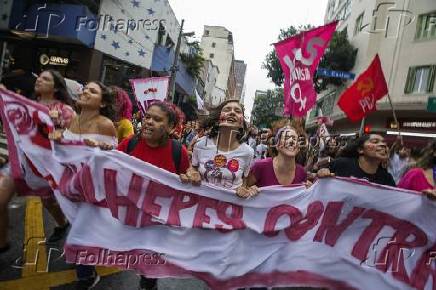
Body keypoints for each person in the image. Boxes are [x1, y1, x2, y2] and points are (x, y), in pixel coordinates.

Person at [0, 70, 75, 253]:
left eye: (46, 79)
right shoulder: (27, 104)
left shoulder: (65, 110)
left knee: (49, 202)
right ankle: (2, 244)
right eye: (39, 77)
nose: (39, 80)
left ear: (56, 87)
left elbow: (62, 138)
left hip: (46, 166)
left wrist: (54, 126)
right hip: (21, 162)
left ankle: (62, 225)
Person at [118, 101, 190, 290]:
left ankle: (148, 282)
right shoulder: (130, 143)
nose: (148, 122)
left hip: (159, 221)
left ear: (171, 127)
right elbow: (110, 168)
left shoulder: (178, 151)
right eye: (147, 117)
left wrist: (191, 176)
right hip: (131, 215)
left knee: (149, 262)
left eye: (157, 119)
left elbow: (185, 182)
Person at [56, 81, 117, 290]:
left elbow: (114, 162)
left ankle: (87, 276)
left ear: (102, 103)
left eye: (93, 91)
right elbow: (64, 153)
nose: (85, 92)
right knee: (77, 229)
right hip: (71, 188)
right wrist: (56, 137)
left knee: (82, 233)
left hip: (94, 192)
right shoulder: (72, 120)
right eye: (85, 88)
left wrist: (103, 149)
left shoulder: (105, 125)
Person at [181, 99, 257, 198]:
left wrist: (245, 190)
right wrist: (192, 173)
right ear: (218, 119)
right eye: (227, 109)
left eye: (237, 111)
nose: (232, 112)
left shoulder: (248, 152)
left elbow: (244, 181)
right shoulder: (201, 144)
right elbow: (193, 168)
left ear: (242, 123)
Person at [317, 134, 396, 186]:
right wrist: (321, 174)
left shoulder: (387, 179)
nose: (383, 145)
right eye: (375, 142)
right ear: (361, 149)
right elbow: (315, 183)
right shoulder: (341, 164)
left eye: (385, 143)